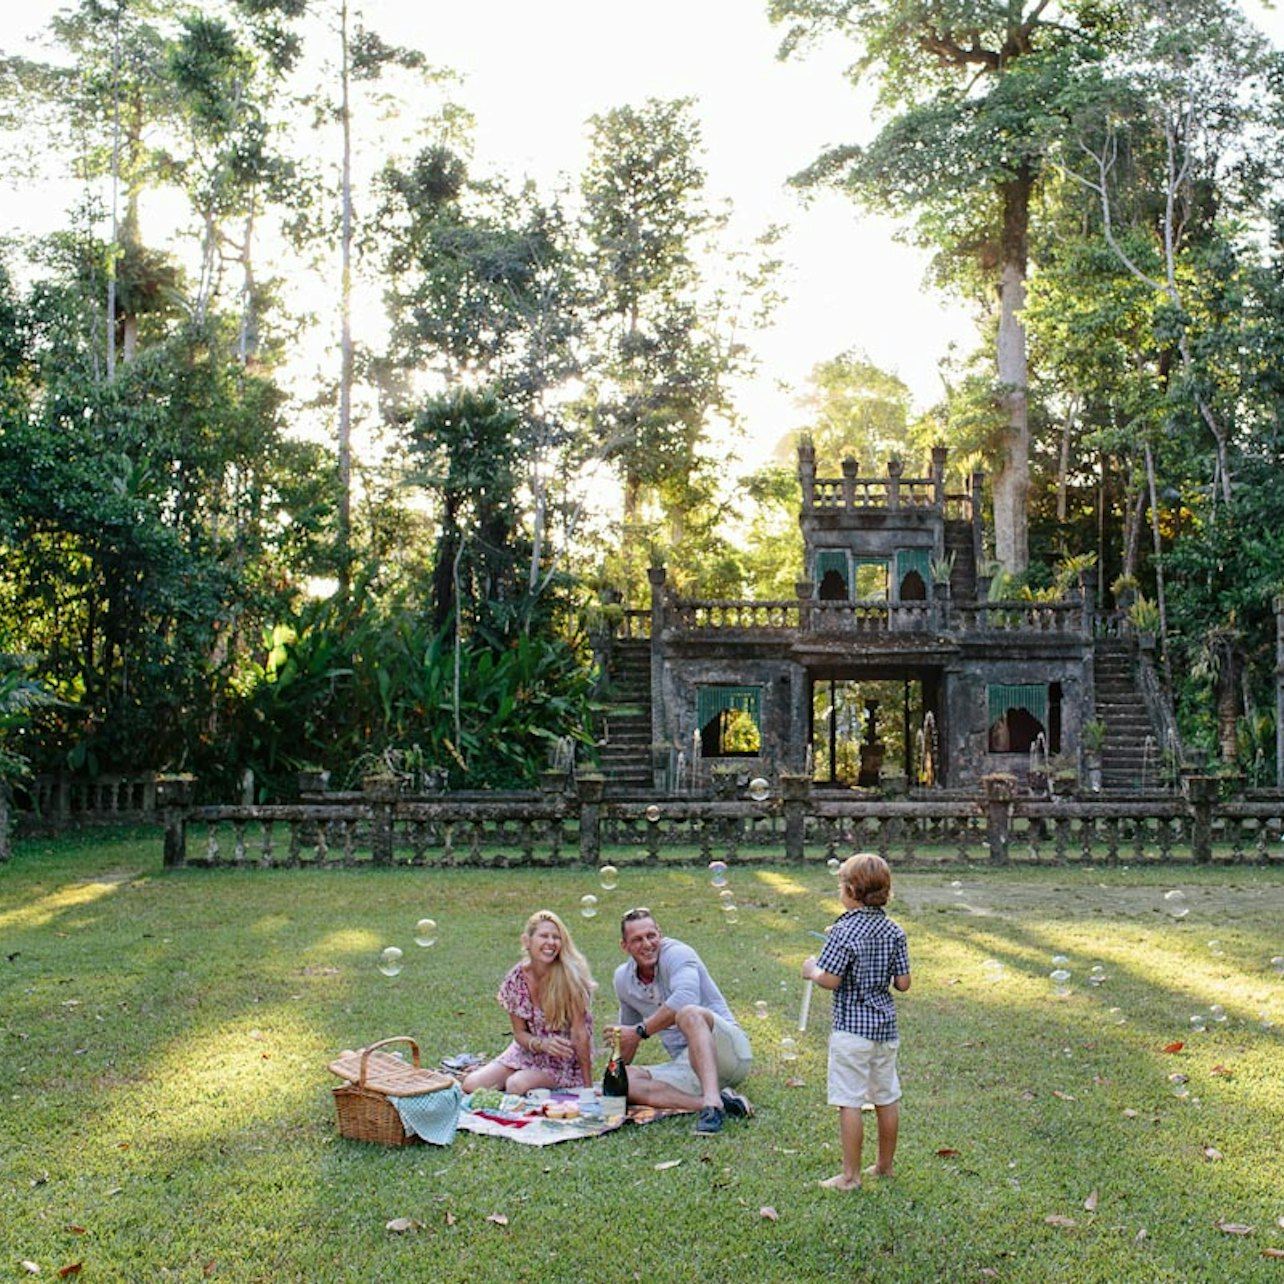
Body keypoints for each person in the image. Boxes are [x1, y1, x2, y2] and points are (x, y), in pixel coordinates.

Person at [803, 852, 911, 1191]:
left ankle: (850, 1177)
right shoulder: (895, 930)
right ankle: (885, 1166)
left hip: (852, 1032)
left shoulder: (843, 931)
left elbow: (830, 980)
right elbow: (903, 984)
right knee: (885, 1096)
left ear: (850, 890)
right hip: (885, 1030)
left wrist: (811, 971)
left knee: (849, 1100)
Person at [610, 907, 753, 1136]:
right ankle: (720, 1103)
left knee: (688, 1013)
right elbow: (628, 1037)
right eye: (637, 940)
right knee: (625, 1082)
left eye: (651, 935)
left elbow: (684, 999)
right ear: (624, 946)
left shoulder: (678, 953)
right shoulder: (623, 978)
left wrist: (639, 1031)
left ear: (660, 933)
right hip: (687, 1064)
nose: (647, 944)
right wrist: (612, 1078)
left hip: (730, 1054)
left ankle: (712, 1107)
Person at [462, 910, 595, 1094]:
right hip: (528, 1050)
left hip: (562, 1060)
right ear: (527, 941)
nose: (551, 942)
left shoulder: (571, 977)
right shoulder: (516, 978)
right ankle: (520, 1078)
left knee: (516, 1084)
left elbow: (580, 1034)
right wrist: (542, 1044)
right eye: (544, 936)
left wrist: (588, 1087)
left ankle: (528, 1082)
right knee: (471, 1085)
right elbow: (520, 1033)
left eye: (556, 937)